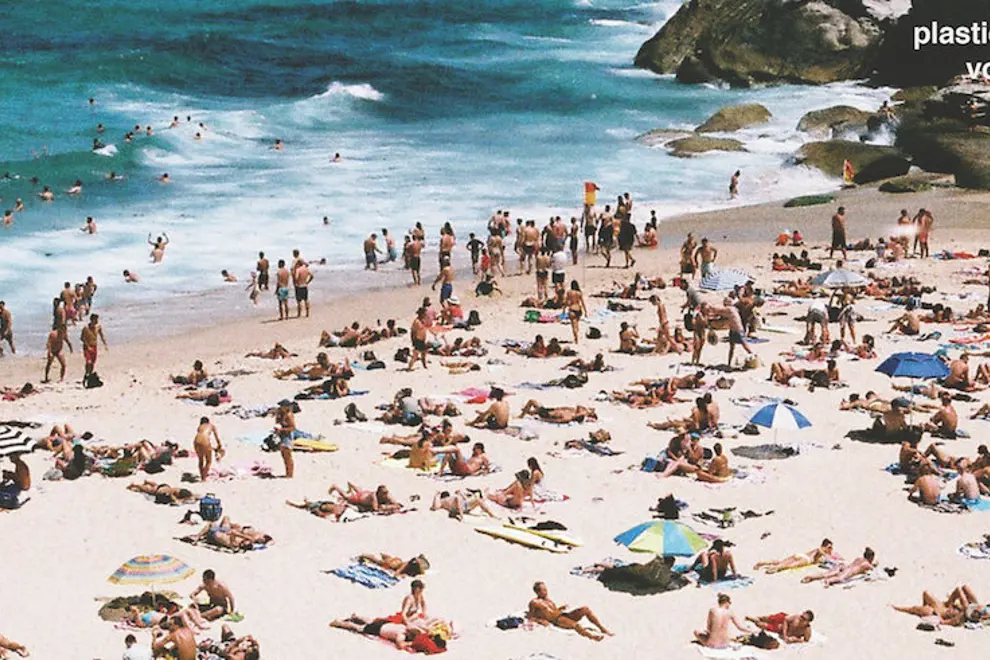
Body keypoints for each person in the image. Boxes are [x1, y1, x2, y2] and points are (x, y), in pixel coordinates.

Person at [528, 581, 611, 641]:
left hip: (564, 614)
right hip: (558, 620)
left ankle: (602, 629)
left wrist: (561, 608)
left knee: (585, 609)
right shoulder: (534, 602)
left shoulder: (548, 600)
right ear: (537, 592)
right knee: (576, 625)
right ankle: (592, 637)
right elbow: (530, 617)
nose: (546, 592)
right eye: (544, 590)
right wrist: (540, 621)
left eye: (546, 589)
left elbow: (554, 610)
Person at [754, 539, 836, 574]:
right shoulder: (821, 550)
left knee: (781, 562)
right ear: (825, 546)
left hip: (801, 555)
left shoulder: (817, 549)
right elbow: (817, 555)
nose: (830, 549)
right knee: (789, 566)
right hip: (806, 560)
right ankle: (774, 568)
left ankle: (763, 563)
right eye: (829, 547)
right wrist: (824, 556)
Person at [801, 547, 875, 586]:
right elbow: (873, 570)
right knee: (840, 578)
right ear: (871, 558)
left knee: (825, 574)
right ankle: (828, 581)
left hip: (844, 566)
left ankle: (811, 577)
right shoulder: (867, 564)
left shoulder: (858, 558)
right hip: (849, 571)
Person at [747, 611, 814, 644]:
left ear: (808, 622)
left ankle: (754, 620)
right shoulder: (796, 617)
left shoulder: (807, 630)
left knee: (762, 625)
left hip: (780, 629)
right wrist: (785, 635)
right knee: (767, 618)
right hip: (782, 620)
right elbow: (786, 619)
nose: (801, 619)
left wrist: (796, 640)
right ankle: (756, 617)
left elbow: (806, 641)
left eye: (804, 619)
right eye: (801, 616)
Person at [431, 489, 498, 520]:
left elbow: (435, 507)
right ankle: (492, 515)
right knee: (478, 500)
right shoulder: (444, 499)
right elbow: (435, 507)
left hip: (464, 506)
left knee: (478, 500)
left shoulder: (443, 501)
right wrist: (436, 496)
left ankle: (491, 515)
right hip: (462, 507)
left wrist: (436, 496)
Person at [193, 417, 224, 482]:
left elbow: (201, 437)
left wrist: (213, 448)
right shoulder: (211, 426)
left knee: (200, 460)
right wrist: (219, 445)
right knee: (208, 461)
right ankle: (203, 479)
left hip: (196, 441)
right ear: (208, 422)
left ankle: (202, 476)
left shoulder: (199, 427)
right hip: (205, 441)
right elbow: (216, 438)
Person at [519, 399, 597, 423]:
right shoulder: (573, 411)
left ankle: (521, 416)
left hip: (546, 414)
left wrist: (542, 419)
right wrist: (588, 411)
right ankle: (527, 412)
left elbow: (554, 421)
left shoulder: (568, 418)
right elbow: (578, 406)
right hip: (552, 410)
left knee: (532, 401)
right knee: (529, 411)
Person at [80, 313, 108, 379]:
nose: (97, 321)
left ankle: (89, 375)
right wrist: (88, 347)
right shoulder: (86, 328)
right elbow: (82, 338)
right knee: (88, 362)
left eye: (97, 319)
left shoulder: (98, 327)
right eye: (95, 320)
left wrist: (105, 344)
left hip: (94, 346)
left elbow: (101, 336)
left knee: (92, 362)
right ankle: (86, 374)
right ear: (91, 320)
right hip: (87, 347)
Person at [274, 400, 296, 478]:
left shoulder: (289, 415)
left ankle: (290, 474)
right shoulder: (281, 413)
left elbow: (292, 428)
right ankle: (287, 473)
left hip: (287, 435)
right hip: (282, 435)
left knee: (288, 455)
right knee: (284, 455)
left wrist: (282, 429)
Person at [408, 307, 429, 371]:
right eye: (424, 314)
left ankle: (424, 366)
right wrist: (413, 340)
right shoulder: (416, 322)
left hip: (422, 340)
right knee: (415, 355)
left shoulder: (423, 321)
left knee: (424, 353)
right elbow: (413, 332)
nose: (425, 315)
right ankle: (409, 367)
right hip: (417, 340)